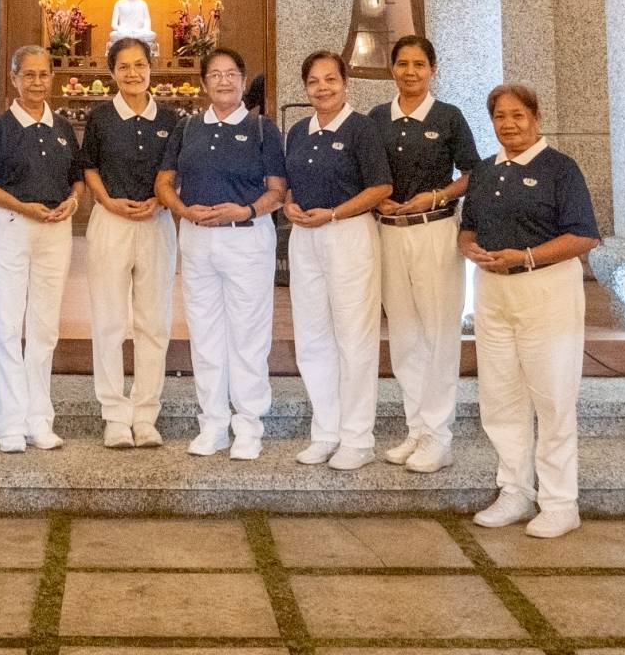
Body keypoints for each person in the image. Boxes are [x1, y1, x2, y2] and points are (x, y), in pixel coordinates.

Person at [461, 82, 601, 540]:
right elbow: (468, 227)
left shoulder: (560, 169)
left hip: (546, 291)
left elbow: (583, 235)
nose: (509, 124)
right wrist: (470, 249)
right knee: (501, 396)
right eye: (500, 116)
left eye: (518, 115)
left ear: (536, 118)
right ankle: (514, 491)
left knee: (553, 398)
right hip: (493, 292)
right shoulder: (485, 171)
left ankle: (560, 503)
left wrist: (526, 257)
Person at [154, 46, 285, 460]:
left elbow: (278, 191)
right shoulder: (188, 128)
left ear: (243, 81)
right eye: (215, 74)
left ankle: (248, 425)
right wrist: (182, 210)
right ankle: (212, 423)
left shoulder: (263, 129)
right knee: (206, 334)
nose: (224, 81)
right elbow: (164, 183)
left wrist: (245, 210)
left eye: (231, 74)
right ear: (204, 83)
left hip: (247, 238)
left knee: (248, 335)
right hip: (197, 240)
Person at [281, 49, 392, 471]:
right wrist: (290, 205)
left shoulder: (362, 128)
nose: (322, 87)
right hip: (305, 238)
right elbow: (291, 184)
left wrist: (333, 214)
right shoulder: (299, 131)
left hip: (348, 234)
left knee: (354, 338)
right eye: (313, 81)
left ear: (345, 83)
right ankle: (325, 432)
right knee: (313, 338)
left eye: (330, 79)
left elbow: (380, 187)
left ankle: (357, 438)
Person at [373, 34, 478, 473]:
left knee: (438, 334)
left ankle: (439, 436)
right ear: (392, 69)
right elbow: (367, 173)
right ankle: (416, 430)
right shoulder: (377, 118)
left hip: (435, 231)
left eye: (419, 64)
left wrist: (436, 196)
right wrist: (378, 199)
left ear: (433, 69)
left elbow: (472, 173)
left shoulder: (448, 117)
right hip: (388, 234)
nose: (410, 72)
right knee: (404, 336)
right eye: (403, 64)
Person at [0, 44, 83, 452]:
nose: (37, 82)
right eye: (29, 75)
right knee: (8, 325)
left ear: (51, 78)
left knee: (44, 327)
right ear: (14, 79)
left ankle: (40, 419)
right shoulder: (1, 128)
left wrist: (74, 201)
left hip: (55, 231)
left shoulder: (61, 127)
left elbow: (76, 176)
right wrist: (23, 207)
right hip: (12, 227)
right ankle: (10, 423)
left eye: (43, 75)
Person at [80, 36, 178, 447]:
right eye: (124, 67)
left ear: (151, 67)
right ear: (112, 73)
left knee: (154, 322)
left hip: (156, 223)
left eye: (139, 65)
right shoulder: (100, 118)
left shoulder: (171, 118)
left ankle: (145, 413)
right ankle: (115, 414)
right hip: (111, 223)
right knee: (109, 320)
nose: (133, 73)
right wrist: (107, 201)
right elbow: (89, 167)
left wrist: (160, 200)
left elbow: (176, 171)